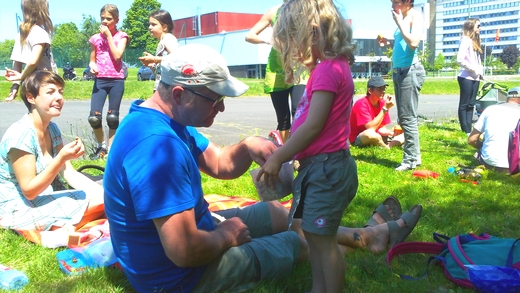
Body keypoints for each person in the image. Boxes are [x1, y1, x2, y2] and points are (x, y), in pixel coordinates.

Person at [103, 43, 422, 293]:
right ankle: (367, 238)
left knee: (274, 213)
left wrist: (247, 146)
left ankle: (363, 237)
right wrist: (226, 236)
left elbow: (218, 162)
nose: (222, 107)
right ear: (178, 93)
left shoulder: (163, 120)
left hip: (184, 245)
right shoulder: (156, 147)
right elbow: (184, 250)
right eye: (215, 100)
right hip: (180, 280)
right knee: (295, 242)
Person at [258, 1, 421, 292]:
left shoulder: (328, 71)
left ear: (313, 34)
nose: (293, 51)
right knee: (315, 236)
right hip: (318, 168)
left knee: (323, 242)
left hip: (327, 170)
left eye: (294, 42)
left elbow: (313, 125)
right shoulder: (331, 67)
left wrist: (280, 156)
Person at [0, 71, 104, 231]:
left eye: (60, 92)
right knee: (108, 205)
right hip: (18, 208)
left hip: (44, 199)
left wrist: (104, 193)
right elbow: (29, 191)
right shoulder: (21, 135)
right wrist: (61, 158)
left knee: (109, 198)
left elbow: (69, 173)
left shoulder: (52, 129)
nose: (59, 98)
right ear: (31, 98)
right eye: (50, 92)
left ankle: (70, 223)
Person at [245, 1, 296, 144]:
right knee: (283, 117)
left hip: (300, 68)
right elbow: (249, 36)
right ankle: (286, 152)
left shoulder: (305, 10)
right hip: (277, 70)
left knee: (298, 111)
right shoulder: (274, 12)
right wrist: (269, 41)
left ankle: (299, 150)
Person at [87, 4, 129, 160]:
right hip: (100, 80)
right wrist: (92, 66)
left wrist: (109, 36)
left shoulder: (122, 36)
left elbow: (117, 55)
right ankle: (101, 147)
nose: (105, 21)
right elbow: (92, 60)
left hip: (116, 80)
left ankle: (111, 150)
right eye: (103, 18)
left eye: (109, 19)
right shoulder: (95, 39)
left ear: (116, 20)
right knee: (94, 117)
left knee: (112, 117)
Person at [390, 0, 426, 171]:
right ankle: (415, 156)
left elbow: (413, 43)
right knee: (404, 117)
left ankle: (410, 159)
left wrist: (399, 23)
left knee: (407, 117)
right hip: (400, 71)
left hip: (410, 71)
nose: (392, 5)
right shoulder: (404, 18)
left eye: (395, 1)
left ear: (407, 2)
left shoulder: (415, 16)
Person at [4, 0, 57, 102]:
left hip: (28, 84)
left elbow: (17, 63)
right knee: (43, 114)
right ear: (42, 11)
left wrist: (14, 87)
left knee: (35, 113)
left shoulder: (22, 34)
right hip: (44, 82)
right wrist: (20, 76)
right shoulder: (39, 32)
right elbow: (33, 62)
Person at [468, 87, 520, 172]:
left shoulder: (490, 109)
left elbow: (471, 140)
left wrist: (482, 146)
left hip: (489, 163)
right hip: (516, 165)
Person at [350, 76, 405, 149]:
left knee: (406, 133)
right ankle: (387, 147)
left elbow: (381, 128)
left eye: (384, 88)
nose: (383, 91)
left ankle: (386, 146)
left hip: (377, 134)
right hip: (360, 137)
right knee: (370, 134)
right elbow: (371, 128)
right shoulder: (361, 104)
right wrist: (385, 109)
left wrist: (390, 132)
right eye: (380, 89)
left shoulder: (382, 103)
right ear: (370, 91)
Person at [138, 9, 179, 92]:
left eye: (153, 24)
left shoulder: (167, 37)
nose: (149, 27)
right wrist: (152, 66)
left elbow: (176, 58)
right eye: (149, 24)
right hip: (161, 87)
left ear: (164, 27)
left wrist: (154, 59)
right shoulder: (162, 41)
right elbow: (160, 72)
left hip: (168, 88)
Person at [457, 18, 483, 135]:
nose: (480, 28)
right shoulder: (465, 40)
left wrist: (480, 72)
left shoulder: (475, 42)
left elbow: (477, 61)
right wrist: (473, 69)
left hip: (476, 77)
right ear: (471, 27)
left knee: (471, 103)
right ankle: (465, 129)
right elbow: (460, 60)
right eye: (478, 26)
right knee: (464, 103)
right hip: (466, 77)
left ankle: (469, 128)